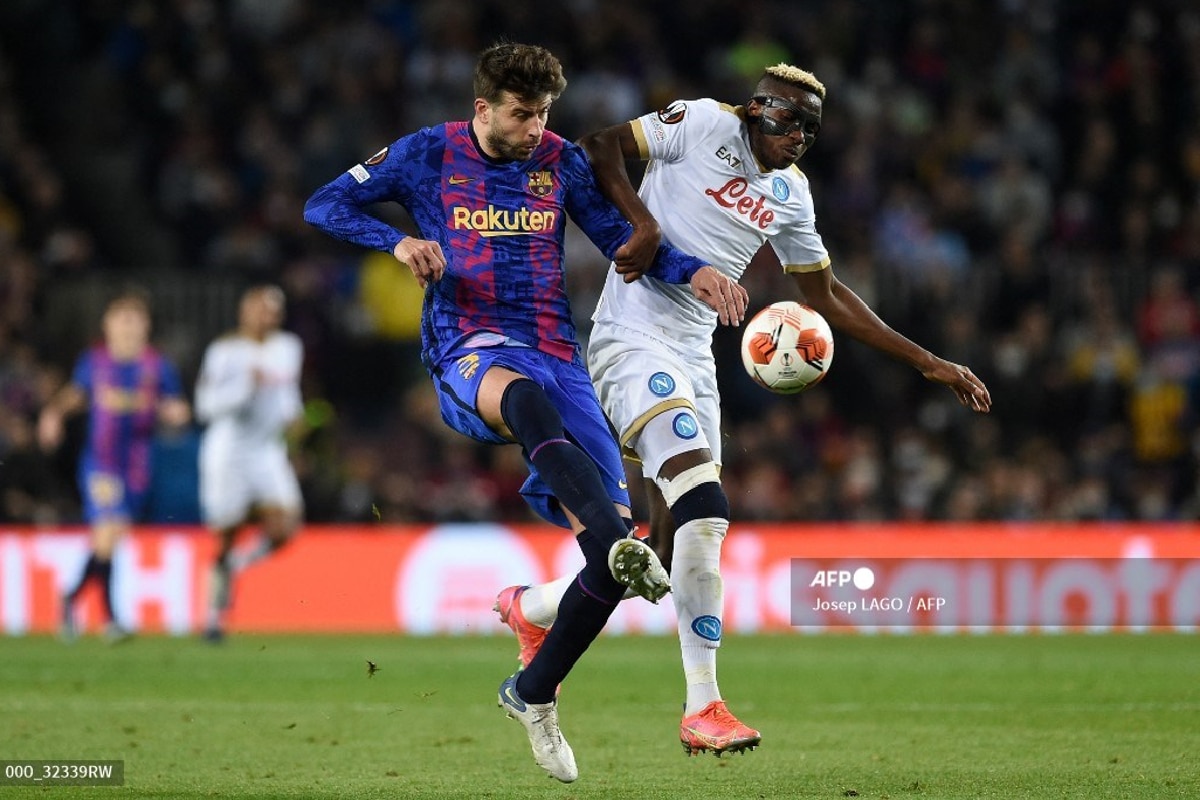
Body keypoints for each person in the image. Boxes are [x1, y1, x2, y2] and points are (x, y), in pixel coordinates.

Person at [496, 63, 994, 757]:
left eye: (811, 128)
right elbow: (600, 144)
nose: (799, 136)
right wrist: (638, 224)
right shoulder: (702, 122)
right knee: (707, 507)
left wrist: (929, 362)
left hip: (695, 356)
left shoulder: (791, 194)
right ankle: (705, 709)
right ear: (757, 109)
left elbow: (826, 296)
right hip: (633, 340)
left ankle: (533, 606)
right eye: (788, 119)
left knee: (663, 549)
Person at [303, 42, 746, 783]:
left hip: (557, 353)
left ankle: (532, 692)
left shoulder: (560, 160)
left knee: (607, 566)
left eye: (544, 111)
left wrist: (691, 269)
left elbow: (616, 239)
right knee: (526, 403)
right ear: (482, 107)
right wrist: (399, 240)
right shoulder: (426, 153)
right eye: (521, 112)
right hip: (469, 347)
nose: (536, 125)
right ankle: (614, 540)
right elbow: (325, 203)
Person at [38, 287, 191, 642]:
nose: (127, 328)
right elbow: (76, 395)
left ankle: (71, 596)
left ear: (146, 326)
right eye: (121, 320)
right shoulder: (95, 363)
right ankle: (110, 619)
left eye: (135, 321)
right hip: (101, 463)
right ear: (107, 326)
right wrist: (53, 414)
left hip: (136, 465)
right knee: (107, 530)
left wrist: (178, 413)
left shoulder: (157, 365)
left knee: (110, 538)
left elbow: (177, 406)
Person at [195, 284, 305, 643]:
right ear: (245, 311)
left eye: (273, 310)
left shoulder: (288, 348)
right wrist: (244, 388)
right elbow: (205, 406)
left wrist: (295, 423)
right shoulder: (225, 351)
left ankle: (234, 566)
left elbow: (288, 392)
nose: (267, 316)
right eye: (260, 308)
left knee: (287, 525)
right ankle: (214, 618)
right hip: (228, 450)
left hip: (267, 450)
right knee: (226, 533)